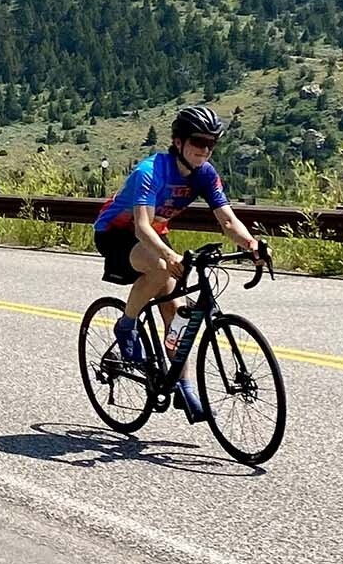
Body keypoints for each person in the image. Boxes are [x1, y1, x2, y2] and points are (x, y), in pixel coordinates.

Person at [92, 105, 261, 423]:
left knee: (177, 313)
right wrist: (170, 257)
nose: (205, 150)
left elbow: (227, 220)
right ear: (178, 141)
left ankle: (183, 385)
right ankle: (126, 325)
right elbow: (141, 227)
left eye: (212, 143)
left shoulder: (205, 175)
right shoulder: (150, 171)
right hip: (117, 234)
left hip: (155, 236)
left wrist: (251, 244)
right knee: (159, 267)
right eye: (198, 142)